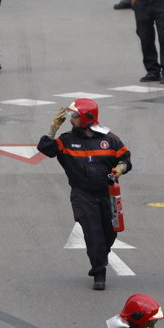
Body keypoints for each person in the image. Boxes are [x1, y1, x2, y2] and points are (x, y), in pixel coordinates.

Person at [38, 99, 131, 289]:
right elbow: (45, 149)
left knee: (110, 233)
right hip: (82, 195)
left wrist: (121, 168)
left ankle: (100, 257)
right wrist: (52, 129)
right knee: (92, 233)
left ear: (87, 119)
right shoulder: (66, 140)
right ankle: (99, 272)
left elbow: (125, 159)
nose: (71, 119)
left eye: (75, 116)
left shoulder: (110, 139)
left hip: (108, 194)